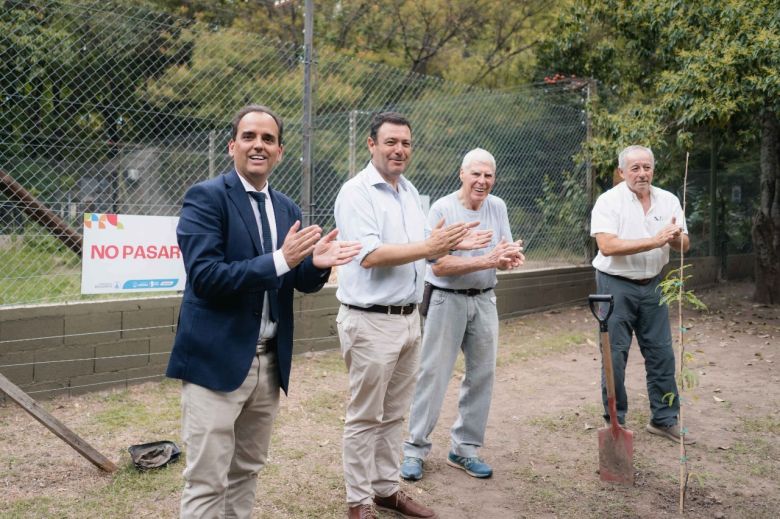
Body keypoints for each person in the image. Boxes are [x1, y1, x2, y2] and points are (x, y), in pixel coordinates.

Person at [166, 104, 361, 519]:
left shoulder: (287, 207)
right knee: (206, 480)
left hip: (269, 362)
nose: (259, 145)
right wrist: (282, 260)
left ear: (280, 152)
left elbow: (295, 279)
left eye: (268, 139)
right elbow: (206, 277)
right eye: (250, 137)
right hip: (216, 360)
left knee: (247, 471)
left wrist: (316, 266)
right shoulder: (206, 198)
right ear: (232, 145)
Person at [334, 112, 487, 519]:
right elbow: (371, 256)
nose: (399, 150)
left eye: (405, 143)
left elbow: (422, 249)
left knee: (395, 413)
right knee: (366, 414)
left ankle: (385, 490)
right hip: (369, 320)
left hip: (407, 318)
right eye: (390, 142)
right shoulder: (357, 193)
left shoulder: (408, 191)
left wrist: (451, 244)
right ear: (371, 145)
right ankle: (358, 502)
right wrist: (430, 246)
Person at [400, 148, 524, 482]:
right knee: (434, 374)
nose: (482, 182)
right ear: (462, 174)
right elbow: (437, 264)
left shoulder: (497, 206)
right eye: (476, 174)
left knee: (482, 374)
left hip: (484, 299)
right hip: (446, 300)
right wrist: (487, 260)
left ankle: (464, 449)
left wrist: (510, 256)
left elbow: (504, 249)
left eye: (488, 176)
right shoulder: (443, 208)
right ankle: (414, 450)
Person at [590, 144, 695, 444]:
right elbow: (607, 246)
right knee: (615, 355)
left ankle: (663, 419)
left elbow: (685, 244)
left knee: (661, 352)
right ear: (622, 172)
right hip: (615, 284)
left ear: (653, 169)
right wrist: (653, 241)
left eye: (646, 167)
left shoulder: (669, 200)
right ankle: (616, 422)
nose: (642, 173)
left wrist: (674, 240)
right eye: (634, 168)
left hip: (654, 284)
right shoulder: (609, 202)